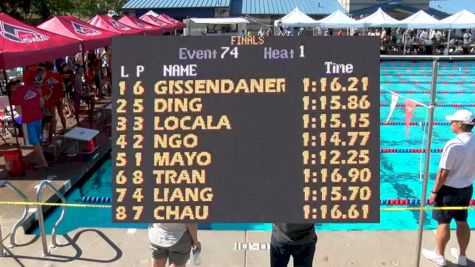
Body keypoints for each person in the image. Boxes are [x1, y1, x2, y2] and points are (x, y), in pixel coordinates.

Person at [422, 109, 475, 267]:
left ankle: (439, 255)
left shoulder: (453, 144)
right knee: (462, 220)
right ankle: (462, 256)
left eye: (452, 121)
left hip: (448, 191)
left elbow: (443, 173)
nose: (450, 123)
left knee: (443, 223)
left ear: (460, 124)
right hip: (466, 188)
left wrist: (434, 192)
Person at [10, 79, 48, 170]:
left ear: (13, 87)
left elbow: (19, 111)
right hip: (38, 117)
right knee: (37, 141)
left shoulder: (16, 94)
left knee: (35, 142)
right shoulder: (32, 88)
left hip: (28, 120)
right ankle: (36, 160)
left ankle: (44, 163)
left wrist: (18, 119)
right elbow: (42, 103)